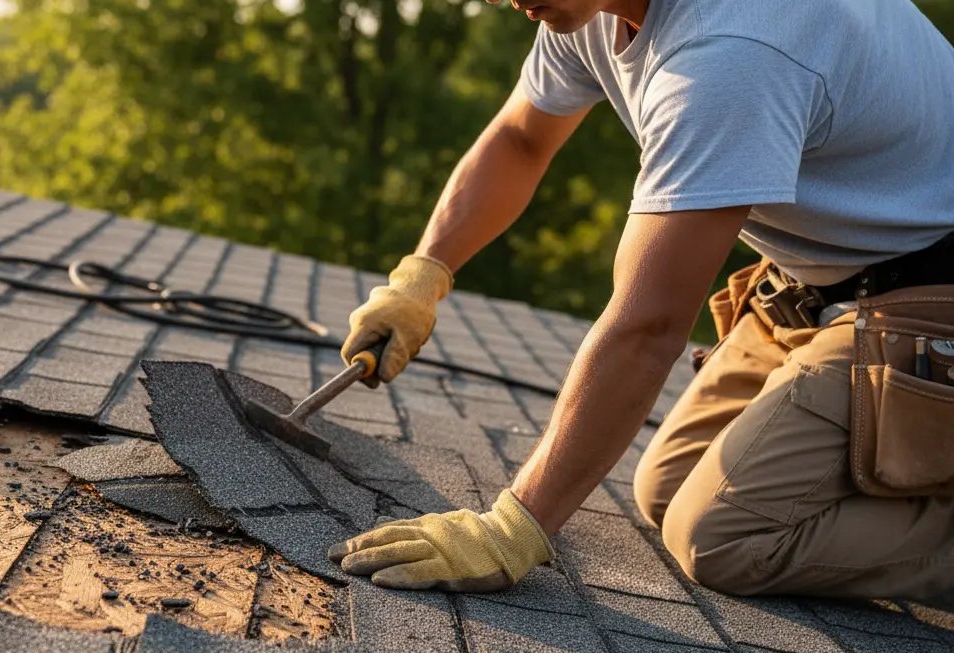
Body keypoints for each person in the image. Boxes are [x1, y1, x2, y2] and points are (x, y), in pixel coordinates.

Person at [327, 0, 954, 599]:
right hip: (819, 287)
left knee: (722, 534)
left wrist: (513, 527)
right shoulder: (593, 11)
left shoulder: (731, 50)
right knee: (670, 485)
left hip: (926, 295)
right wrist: (421, 277)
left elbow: (649, 324)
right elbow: (522, 138)